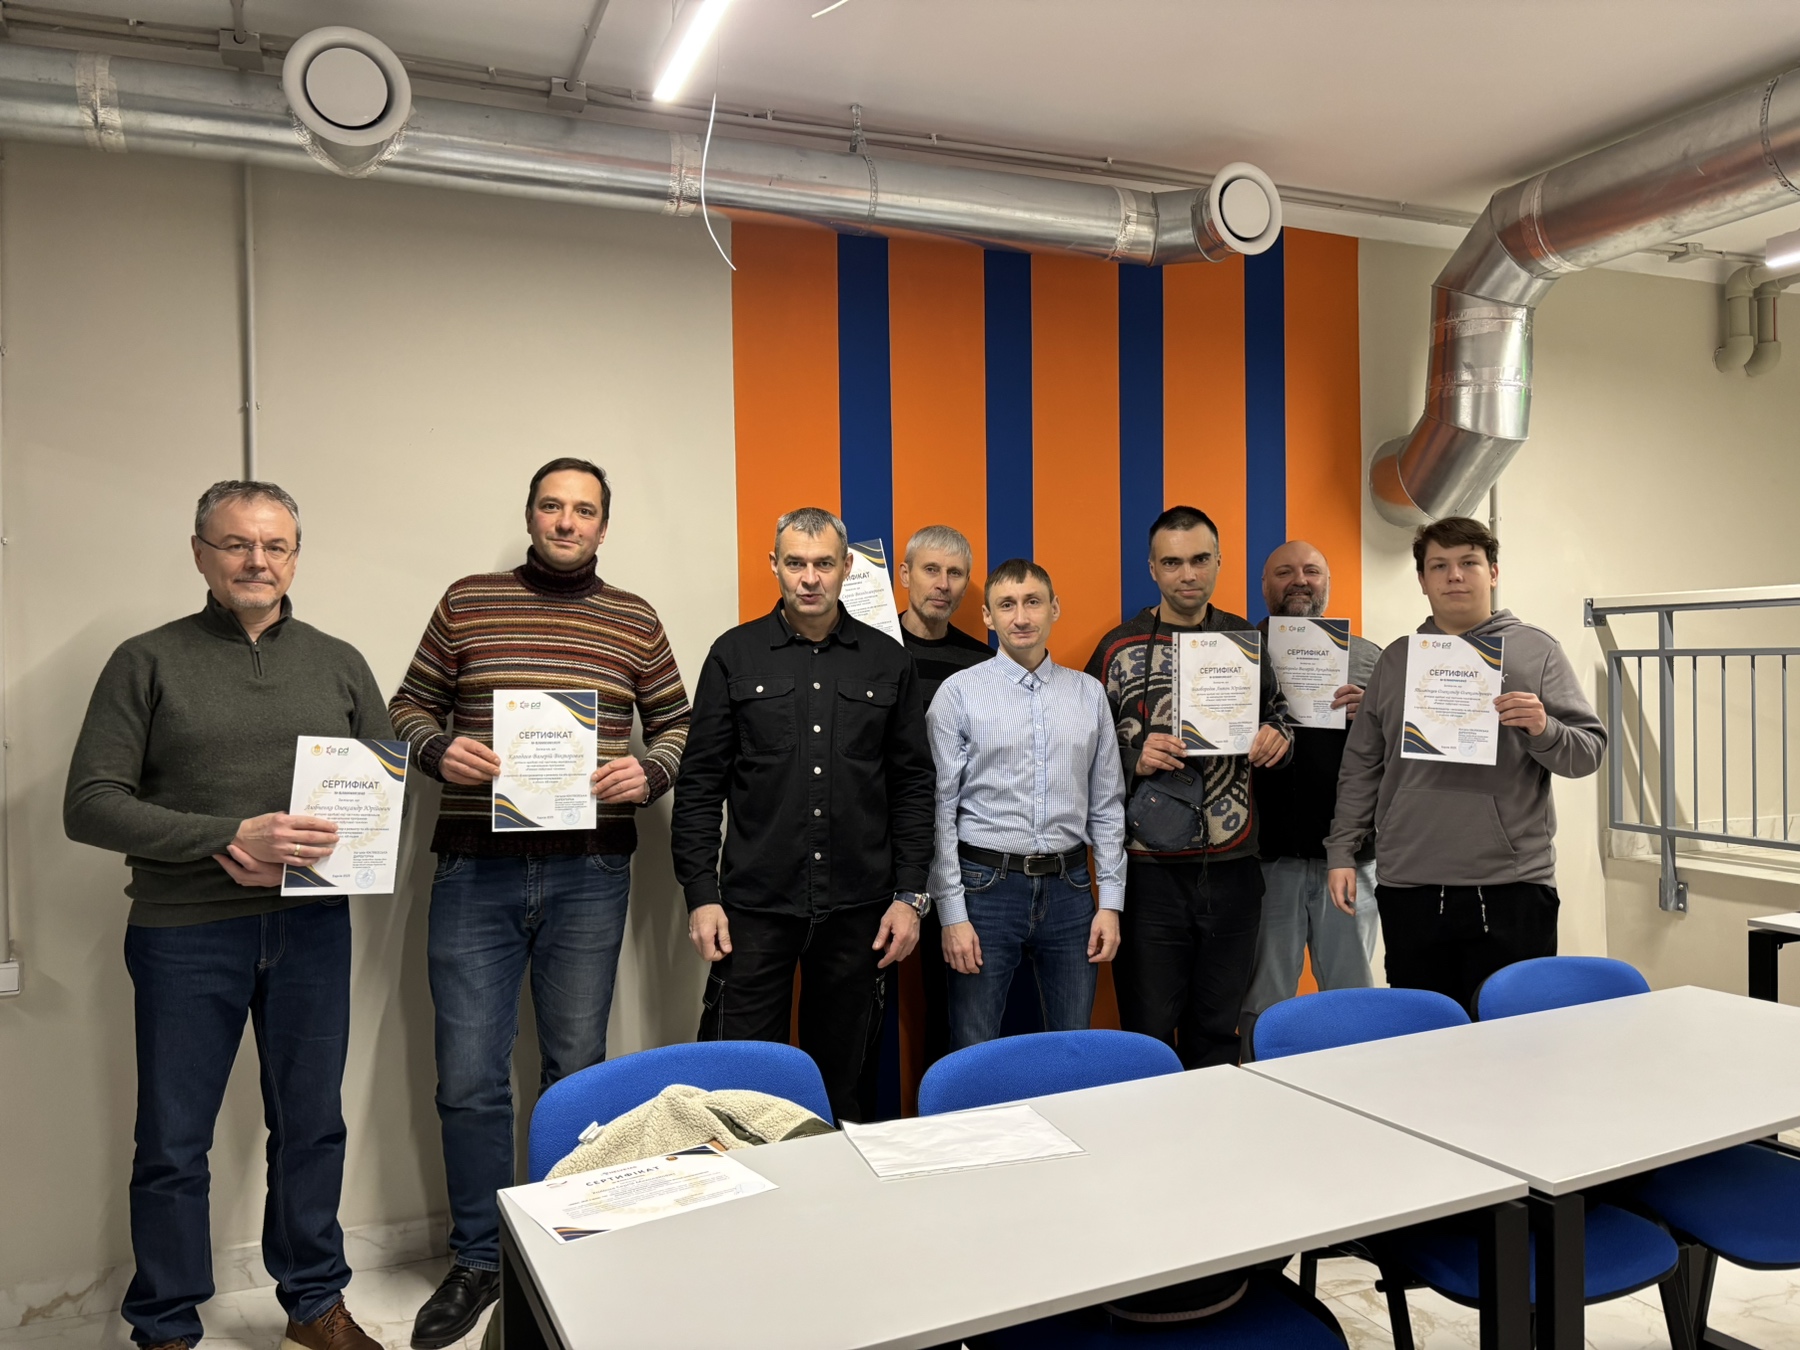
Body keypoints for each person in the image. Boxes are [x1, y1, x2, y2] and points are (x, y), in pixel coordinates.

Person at [64, 481, 390, 1350]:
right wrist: (226, 836)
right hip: (184, 932)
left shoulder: (339, 662)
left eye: (276, 545)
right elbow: (89, 804)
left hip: (313, 929)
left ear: (295, 556)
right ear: (200, 554)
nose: (257, 561)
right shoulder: (146, 660)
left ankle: (314, 1306)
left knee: (313, 1127)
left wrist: (342, 845)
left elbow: (377, 797)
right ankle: (165, 1325)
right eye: (237, 544)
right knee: (174, 1142)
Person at [388, 458, 690, 1348]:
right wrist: (439, 751)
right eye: (552, 506)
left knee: (576, 1069)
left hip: (590, 870)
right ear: (530, 516)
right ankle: (479, 1257)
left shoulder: (634, 618)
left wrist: (652, 770)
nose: (566, 522)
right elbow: (408, 705)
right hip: (474, 868)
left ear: (604, 526)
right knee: (468, 1078)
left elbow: (680, 723)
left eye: (583, 510)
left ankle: (567, 1237)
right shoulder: (467, 601)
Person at [672, 507, 934, 1122]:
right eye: (795, 563)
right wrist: (700, 895)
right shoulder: (733, 655)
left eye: (822, 564)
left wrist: (910, 896)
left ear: (847, 567)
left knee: (842, 1094)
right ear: (774, 565)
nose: (809, 578)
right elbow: (700, 784)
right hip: (754, 909)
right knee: (739, 1093)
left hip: (859, 911)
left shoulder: (887, 661)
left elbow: (912, 786)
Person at [1326, 516, 1606, 1011]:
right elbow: (1362, 765)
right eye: (1439, 566)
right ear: (1422, 580)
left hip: (1511, 885)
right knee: (1425, 1035)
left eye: (1468, 563)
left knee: (1515, 1037)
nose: (1454, 575)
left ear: (1493, 573)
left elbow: (1588, 753)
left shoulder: (1537, 651)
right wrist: (1342, 852)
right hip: (1410, 882)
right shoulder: (1397, 660)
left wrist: (1543, 728)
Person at [1085, 505, 1293, 1069]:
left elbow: (1279, 715)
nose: (1188, 574)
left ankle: (1214, 1124)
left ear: (1219, 561)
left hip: (1234, 866)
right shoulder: (1117, 648)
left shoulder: (1244, 639)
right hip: (1147, 873)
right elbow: (1080, 750)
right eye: (1172, 562)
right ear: (1152, 568)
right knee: (1148, 1033)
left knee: (1218, 1031)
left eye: (1200, 560)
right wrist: (1134, 758)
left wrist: (1278, 736)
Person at [928, 558, 1125, 1048]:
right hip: (984, 889)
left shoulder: (1088, 694)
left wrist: (1111, 904)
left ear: (1054, 608)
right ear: (988, 616)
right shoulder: (959, 694)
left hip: (1071, 890)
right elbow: (940, 811)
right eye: (1007, 605)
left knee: (1073, 1046)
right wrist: (952, 914)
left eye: (1033, 602)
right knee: (973, 1044)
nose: (1021, 617)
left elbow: (1106, 806)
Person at [1241, 540, 1382, 1051]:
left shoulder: (1370, 658)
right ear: (1264, 585)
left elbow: (1401, 754)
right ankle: (1258, 1083)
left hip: (1349, 858)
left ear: (1327, 583)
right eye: (1284, 572)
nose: (1299, 580)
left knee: (1353, 994)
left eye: (1311, 571)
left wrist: (1374, 714)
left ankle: (1358, 1088)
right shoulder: (1237, 654)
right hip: (1263, 858)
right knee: (1262, 999)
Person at [895, 523, 994, 1071]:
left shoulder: (980, 663)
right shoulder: (871, 648)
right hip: (878, 847)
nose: (943, 584)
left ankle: (944, 1105)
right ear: (904, 575)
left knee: (952, 999)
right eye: (931, 570)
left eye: (955, 573)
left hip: (953, 854)